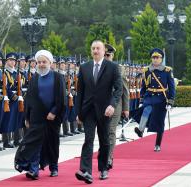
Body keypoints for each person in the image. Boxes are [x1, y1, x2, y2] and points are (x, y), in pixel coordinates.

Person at [75, 40, 122, 184]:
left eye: (98, 48)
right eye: (93, 48)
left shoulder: (112, 67)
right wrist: (79, 112)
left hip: (105, 110)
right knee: (88, 140)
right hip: (88, 110)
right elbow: (80, 92)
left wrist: (112, 105)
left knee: (104, 140)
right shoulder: (84, 68)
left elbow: (118, 89)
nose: (95, 51)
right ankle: (85, 171)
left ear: (103, 51)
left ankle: (103, 168)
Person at [14, 49, 66, 180]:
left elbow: (61, 99)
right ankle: (33, 170)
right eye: (39, 62)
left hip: (52, 117)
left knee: (52, 142)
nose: (42, 64)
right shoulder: (34, 78)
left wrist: (54, 112)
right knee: (34, 143)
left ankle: (54, 167)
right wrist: (27, 117)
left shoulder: (58, 77)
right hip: (37, 116)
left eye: (44, 62)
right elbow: (29, 100)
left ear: (50, 62)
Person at [134, 48, 175, 152]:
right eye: (153, 57)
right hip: (150, 97)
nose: (155, 59)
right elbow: (144, 87)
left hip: (162, 99)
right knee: (146, 110)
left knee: (160, 122)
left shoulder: (167, 71)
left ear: (161, 59)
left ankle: (157, 144)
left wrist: (170, 101)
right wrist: (141, 100)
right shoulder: (147, 71)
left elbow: (171, 87)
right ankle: (141, 130)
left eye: (157, 57)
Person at [104, 44, 129, 170]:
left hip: (115, 104)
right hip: (100, 105)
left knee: (111, 131)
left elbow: (124, 89)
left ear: (112, 56)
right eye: (104, 55)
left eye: (108, 55)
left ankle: (108, 157)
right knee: (103, 132)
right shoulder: (95, 67)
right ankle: (105, 154)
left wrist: (126, 108)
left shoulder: (119, 69)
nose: (106, 57)